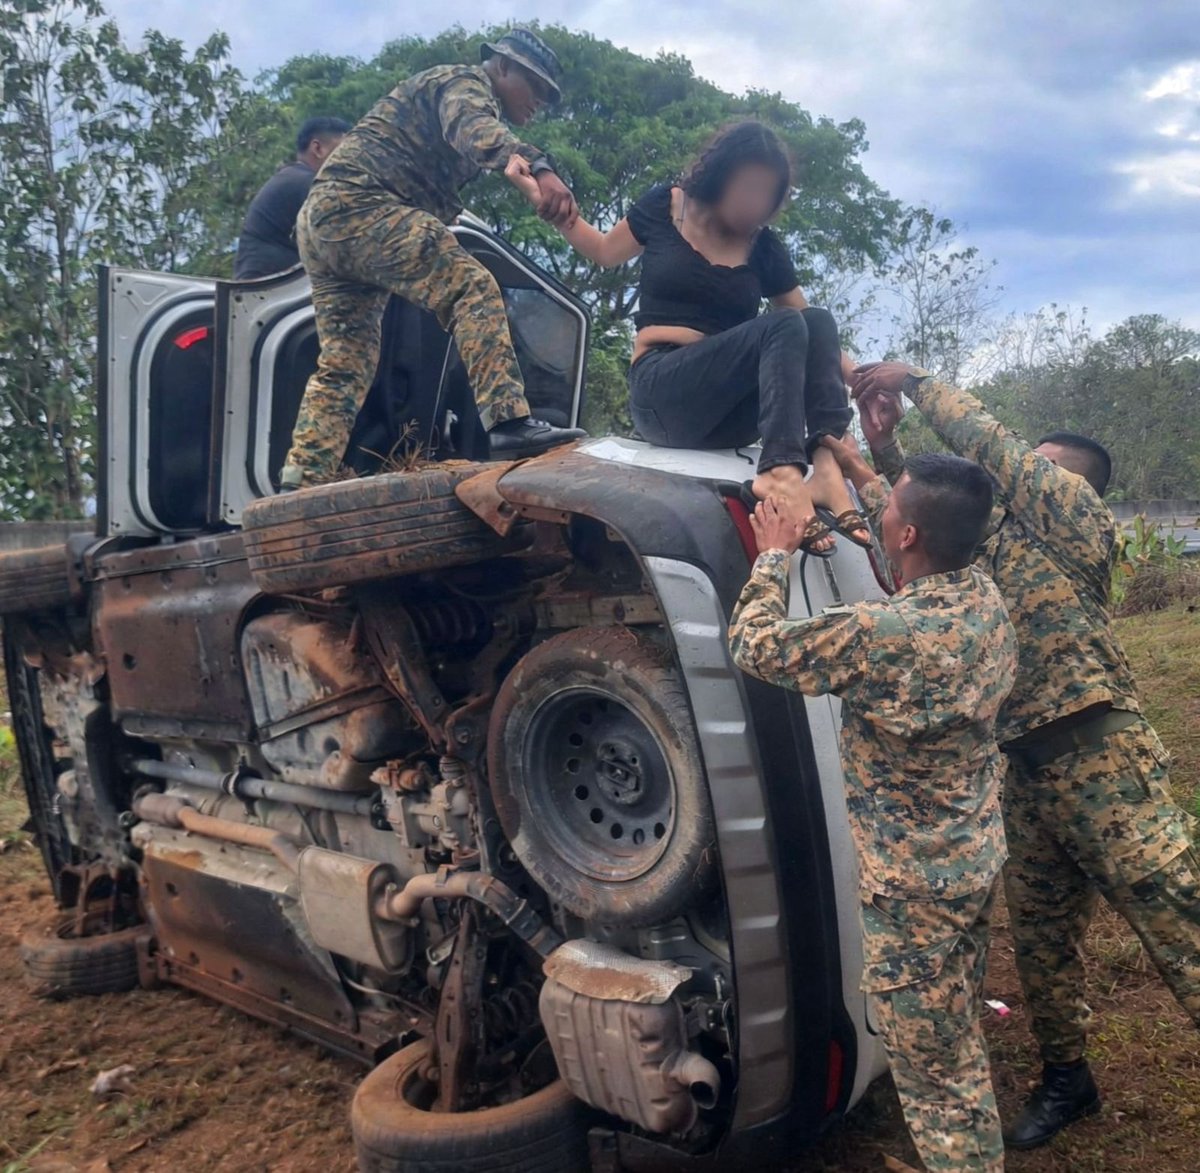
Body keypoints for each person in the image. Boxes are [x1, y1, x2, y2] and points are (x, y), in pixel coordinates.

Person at [830, 362, 1200, 1151]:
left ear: (1073, 487)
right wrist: (884, 451)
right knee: (1041, 943)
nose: (1021, 477)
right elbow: (930, 523)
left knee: (1179, 926)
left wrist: (919, 382)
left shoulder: (1079, 526)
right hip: (1023, 771)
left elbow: (991, 449)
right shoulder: (1003, 544)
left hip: (1101, 760)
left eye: (1040, 467)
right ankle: (1068, 1076)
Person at [728, 454, 1017, 1173]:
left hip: (912, 892)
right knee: (954, 1030)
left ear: (910, 533)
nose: (880, 511)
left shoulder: (881, 634)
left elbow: (752, 644)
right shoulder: (983, 596)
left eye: (890, 510)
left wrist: (773, 556)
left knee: (934, 1073)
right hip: (974, 861)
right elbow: (915, 527)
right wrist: (851, 474)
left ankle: (963, 1159)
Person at [507, 121, 868, 554]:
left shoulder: (763, 247)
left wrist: (863, 378)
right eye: (750, 188)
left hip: (729, 415)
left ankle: (826, 468)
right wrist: (546, 204)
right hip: (665, 391)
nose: (758, 204)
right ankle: (782, 474)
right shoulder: (666, 206)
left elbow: (816, 334)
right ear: (722, 174)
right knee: (787, 323)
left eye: (768, 195)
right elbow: (602, 251)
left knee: (817, 320)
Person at [279, 29, 586, 490]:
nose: (540, 102)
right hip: (362, 206)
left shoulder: (447, 98)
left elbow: (452, 172)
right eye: (536, 86)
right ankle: (508, 425)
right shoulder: (463, 83)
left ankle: (301, 476)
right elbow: (477, 132)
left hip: (324, 221)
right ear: (501, 66)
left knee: (346, 361)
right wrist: (541, 166)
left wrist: (531, 185)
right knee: (472, 287)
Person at [235, 116, 351, 280]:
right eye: (344, 152)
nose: (351, 161)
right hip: (269, 291)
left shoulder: (293, 177)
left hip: (274, 288)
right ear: (317, 148)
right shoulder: (306, 184)